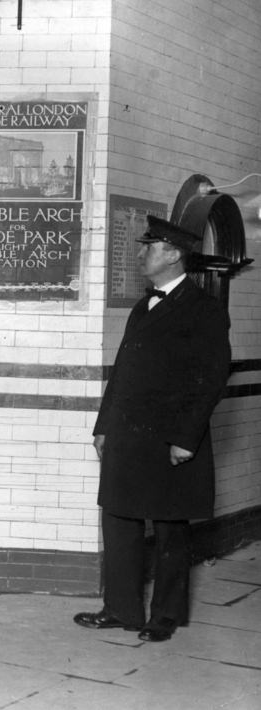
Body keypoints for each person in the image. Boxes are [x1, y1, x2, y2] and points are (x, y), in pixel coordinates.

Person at [74, 215, 231, 643]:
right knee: (120, 521)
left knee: (168, 531)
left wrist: (186, 438)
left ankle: (165, 616)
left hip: (169, 441)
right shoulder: (143, 306)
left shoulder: (206, 310)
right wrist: (103, 427)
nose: (141, 253)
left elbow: (212, 378)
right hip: (127, 436)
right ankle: (121, 609)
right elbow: (123, 372)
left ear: (175, 254)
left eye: (150, 247)